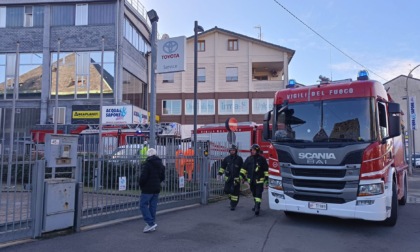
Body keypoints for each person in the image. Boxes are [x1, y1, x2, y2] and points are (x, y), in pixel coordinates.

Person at [139, 148, 165, 233]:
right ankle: (152, 223)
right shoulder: (160, 164)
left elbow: (143, 177)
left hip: (147, 188)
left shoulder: (147, 164)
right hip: (156, 188)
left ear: (148, 155)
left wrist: (141, 185)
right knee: (153, 206)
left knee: (143, 205)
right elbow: (162, 177)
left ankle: (150, 223)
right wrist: (157, 182)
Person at [218, 144, 246, 211]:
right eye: (231, 150)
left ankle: (233, 205)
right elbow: (222, 167)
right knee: (226, 190)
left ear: (235, 151)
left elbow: (243, 169)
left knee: (235, 193)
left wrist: (243, 177)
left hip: (236, 178)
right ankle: (231, 200)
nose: (232, 151)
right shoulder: (226, 159)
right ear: (229, 151)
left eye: (233, 150)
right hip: (228, 178)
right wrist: (219, 174)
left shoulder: (239, 159)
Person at [243, 144, 268, 216]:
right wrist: (242, 176)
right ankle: (256, 205)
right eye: (252, 150)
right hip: (251, 180)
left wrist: (266, 179)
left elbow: (266, 170)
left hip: (259, 180)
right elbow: (244, 168)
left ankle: (257, 207)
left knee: (258, 194)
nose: (252, 151)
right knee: (254, 193)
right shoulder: (249, 159)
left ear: (257, 151)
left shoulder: (262, 159)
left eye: (254, 150)